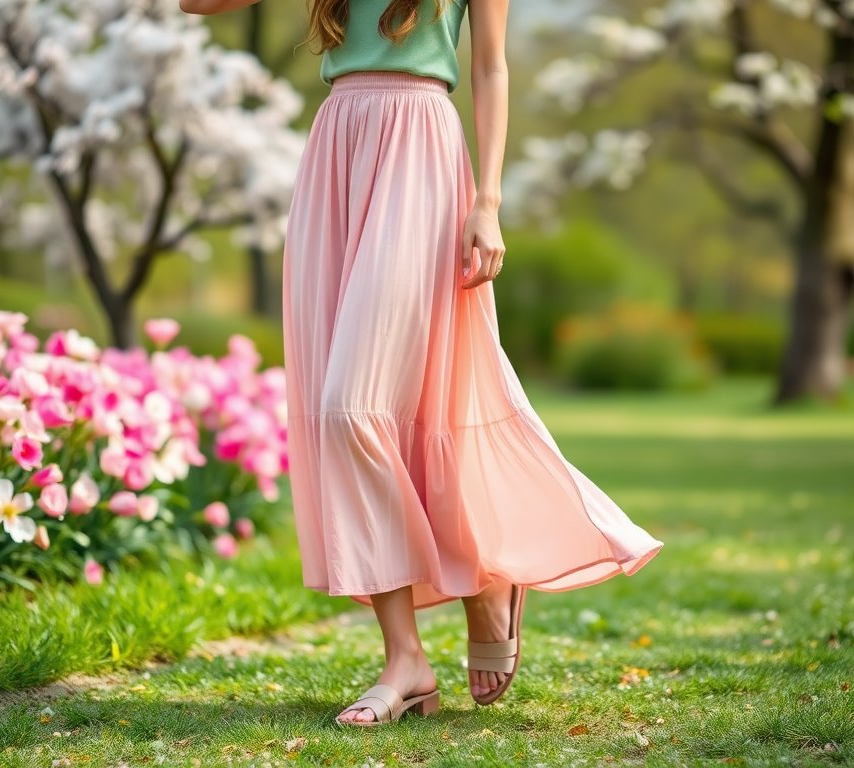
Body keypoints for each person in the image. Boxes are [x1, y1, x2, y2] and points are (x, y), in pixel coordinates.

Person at [179, 0, 664, 727]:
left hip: (421, 151)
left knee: (370, 404)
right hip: (338, 148)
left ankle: (486, 582)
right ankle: (405, 659)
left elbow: (492, 65)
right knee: (345, 407)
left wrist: (489, 200)